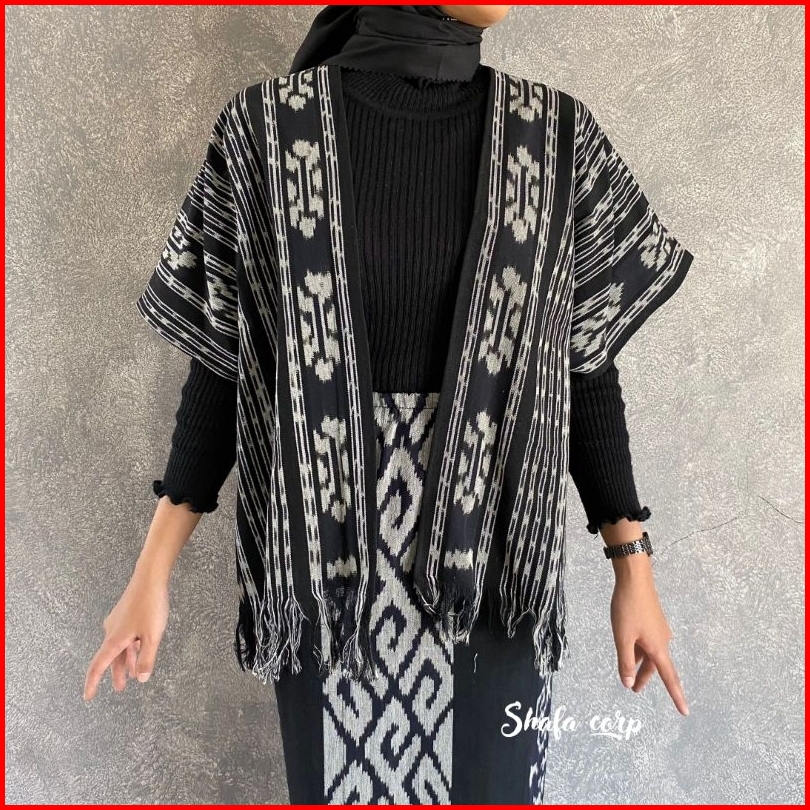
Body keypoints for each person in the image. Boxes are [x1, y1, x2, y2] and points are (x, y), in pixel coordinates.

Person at [84, 5, 691, 805]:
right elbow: (226, 367)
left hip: (493, 575)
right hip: (326, 575)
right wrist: (151, 572)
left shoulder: (556, 139)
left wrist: (632, 565)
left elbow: (584, 365)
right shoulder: (265, 133)